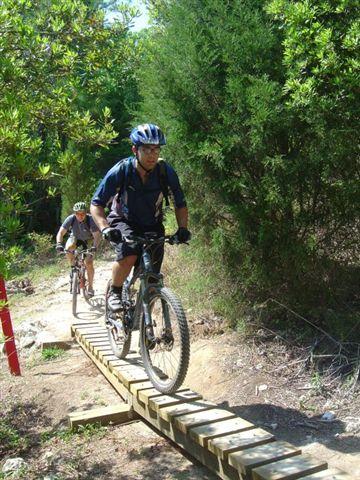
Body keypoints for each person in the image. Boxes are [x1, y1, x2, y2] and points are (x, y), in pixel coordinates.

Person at [90, 123, 191, 311]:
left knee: (153, 277)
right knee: (129, 253)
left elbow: (180, 203)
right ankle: (115, 292)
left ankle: (145, 325)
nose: (152, 154)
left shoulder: (165, 171)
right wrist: (105, 228)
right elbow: (96, 204)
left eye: (156, 149)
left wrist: (183, 228)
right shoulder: (122, 170)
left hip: (152, 224)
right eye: (146, 149)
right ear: (135, 150)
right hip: (123, 221)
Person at [55, 202, 101, 297]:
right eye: (77, 213)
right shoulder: (71, 219)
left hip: (88, 239)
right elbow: (61, 233)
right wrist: (59, 244)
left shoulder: (90, 219)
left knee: (88, 262)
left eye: (82, 213)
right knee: (68, 248)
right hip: (75, 237)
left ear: (85, 213)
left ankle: (91, 287)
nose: (80, 216)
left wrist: (94, 247)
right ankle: (73, 267)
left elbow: (97, 235)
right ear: (74, 213)